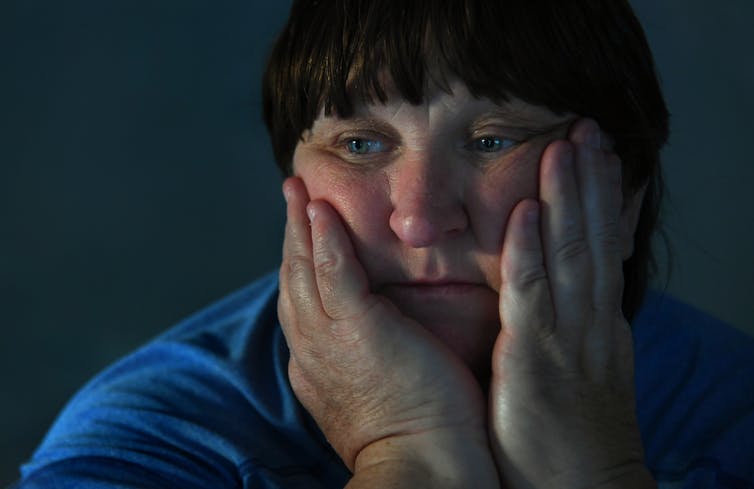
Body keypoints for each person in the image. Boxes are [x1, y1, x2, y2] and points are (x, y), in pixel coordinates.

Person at [14, 1, 754, 488]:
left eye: (492, 139)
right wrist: (409, 453)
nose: (420, 221)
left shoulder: (734, 413)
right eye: (362, 143)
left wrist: (598, 470)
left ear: (622, 193)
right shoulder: (148, 440)